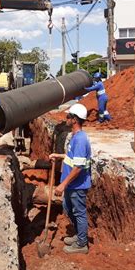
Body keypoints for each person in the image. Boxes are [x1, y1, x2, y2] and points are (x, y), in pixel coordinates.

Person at [49, 103, 92, 254]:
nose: (66, 119)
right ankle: (79, 235)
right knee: (68, 209)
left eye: (68, 116)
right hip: (70, 184)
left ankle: (82, 244)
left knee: (79, 212)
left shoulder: (80, 139)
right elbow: (73, 159)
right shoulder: (75, 137)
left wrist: (63, 185)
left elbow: (78, 167)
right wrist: (59, 156)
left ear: (74, 120)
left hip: (77, 185)